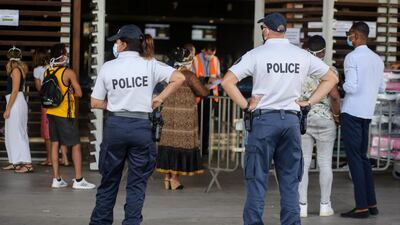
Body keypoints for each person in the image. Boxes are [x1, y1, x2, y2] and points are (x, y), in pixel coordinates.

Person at [221, 13, 338, 225]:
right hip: (291, 122)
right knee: (290, 182)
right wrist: (310, 102)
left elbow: (228, 81)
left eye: (262, 29)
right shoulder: (301, 56)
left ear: (266, 30)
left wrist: (246, 105)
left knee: (257, 179)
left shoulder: (256, 54)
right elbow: (331, 78)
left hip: (264, 121)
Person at [90, 24, 185, 225]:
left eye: (117, 41)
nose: (115, 44)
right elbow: (179, 77)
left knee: (109, 182)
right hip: (142, 128)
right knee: (137, 184)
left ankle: (100, 222)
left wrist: (114, 104)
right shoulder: (150, 64)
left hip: (116, 126)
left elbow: (95, 102)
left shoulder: (109, 67)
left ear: (123, 44)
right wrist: (159, 99)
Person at [340, 21, 385, 219]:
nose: (348, 38)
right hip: (367, 113)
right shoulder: (377, 59)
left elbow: (352, 87)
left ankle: (361, 207)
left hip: (351, 112)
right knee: (364, 159)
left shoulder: (351, 58)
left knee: (355, 160)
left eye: (350, 35)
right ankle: (371, 203)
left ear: (356, 36)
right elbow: (382, 88)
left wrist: (341, 83)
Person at [298, 35, 341, 218]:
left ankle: (302, 206)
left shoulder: (299, 69)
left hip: (304, 119)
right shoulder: (329, 70)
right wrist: (338, 116)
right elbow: (334, 96)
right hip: (325, 119)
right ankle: (325, 205)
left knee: (304, 163)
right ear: (323, 51)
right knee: (324, 163)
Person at [156, 47, 208, 190]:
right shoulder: (188, 75)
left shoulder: (168, 73)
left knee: (169, 145)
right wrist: (207, 86)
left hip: (169, 114)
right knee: (180, 146)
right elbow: (203, 92)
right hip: (183, 117)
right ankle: (174, 179)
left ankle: (167, 177)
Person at [46, 43, 96, 189]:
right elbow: (79, 93)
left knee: (55, 144)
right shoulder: (68, 73)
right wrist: (70, 92)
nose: (67, 56)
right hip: (65, 114)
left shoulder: (47, 71)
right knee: (75, 145)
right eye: (65, 53)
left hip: (51, 113)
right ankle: (79, 180)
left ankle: (57, 179)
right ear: (61, 55)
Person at [33, 48, 70, 167]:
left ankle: (49, 159)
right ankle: (64, 158)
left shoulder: (37, 70)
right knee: (60, 130)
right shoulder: (54, 68)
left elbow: (40, 89)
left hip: (48, 104)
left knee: (47, 133)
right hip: (60, 103)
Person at [2, 46, 33, 173]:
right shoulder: (16, 69)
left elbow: (15, 91)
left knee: (19, 132)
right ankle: (15, 161)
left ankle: (28, 163)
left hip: (15, 102)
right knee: (11, 133)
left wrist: (8, 109)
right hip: (14, 101)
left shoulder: (15, 70)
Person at [192, 44, 221, 154]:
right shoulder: (195, 59)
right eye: (209, 53)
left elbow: (218, 76)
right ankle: (195, 146)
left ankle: (204, 148)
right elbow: (193, 76)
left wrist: (213, 81)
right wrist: (205, 80)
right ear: (203, 51)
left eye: (212, 54)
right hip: (197, 96)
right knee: (196, 123)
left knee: (207, 123)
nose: (210, 56)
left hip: (210, 95)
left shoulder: (215, 60)